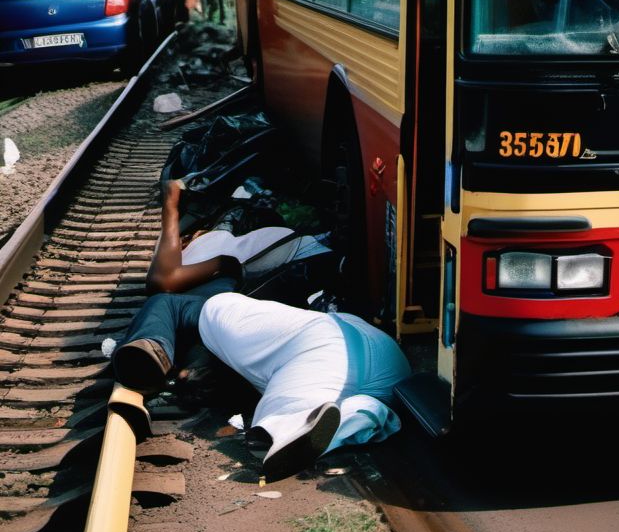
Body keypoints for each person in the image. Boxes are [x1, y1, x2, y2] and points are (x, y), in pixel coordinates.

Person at [113, 182, 411, 480]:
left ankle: (151, 348)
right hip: (381, 356)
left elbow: (162, 284)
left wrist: (171, 211)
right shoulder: (278, 267)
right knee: (339, 401)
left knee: (166, 303)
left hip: (325, 356)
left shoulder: (220, 264)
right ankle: (363, 411)